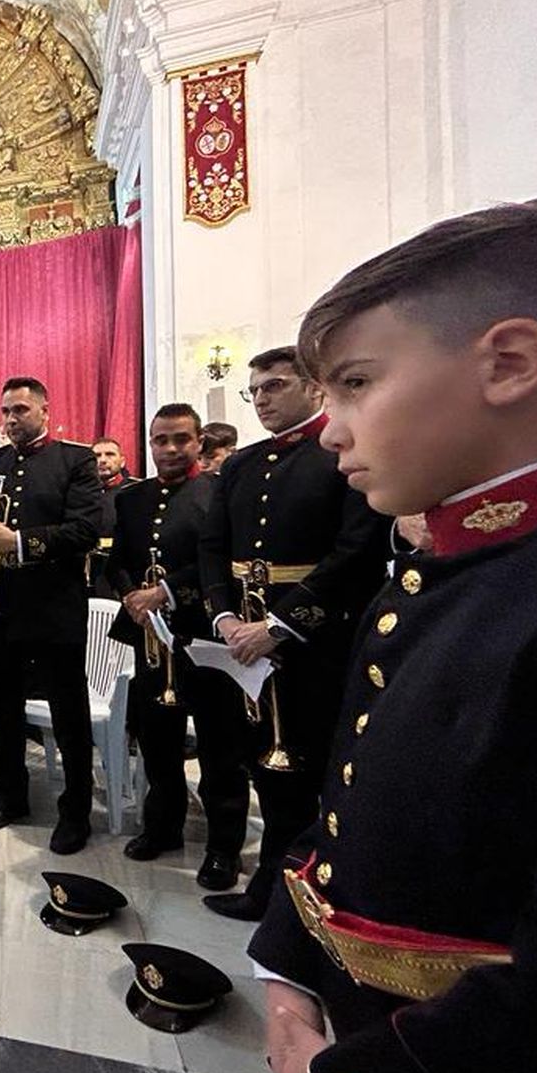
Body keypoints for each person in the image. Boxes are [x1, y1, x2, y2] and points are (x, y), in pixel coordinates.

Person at [252, 193, 537, 1073]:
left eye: (358, 383)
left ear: (510, 363)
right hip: (347, 1019)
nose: (330, 429)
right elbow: (353, 808)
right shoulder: (447, 567)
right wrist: (290, 975)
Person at [199, 348, 389, 921]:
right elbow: (213, 547)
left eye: (274, 386)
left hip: (316, 642)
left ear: (313, 387)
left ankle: (310, 892)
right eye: (253, 390)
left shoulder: (340, 451)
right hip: (242, 638)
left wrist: (278, 627)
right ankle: (274, 890)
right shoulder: (241, 463)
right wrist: (224, 617)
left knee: (315, 771)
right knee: (263, 765)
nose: (261, 399)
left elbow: (357, 553)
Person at [104, 406, 243, 890]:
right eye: (159, 440)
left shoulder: (220, 491)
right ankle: (161, 828)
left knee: (219, 745)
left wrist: (166, 592)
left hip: (204, 634)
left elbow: (224, 561)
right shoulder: (133, 497)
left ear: (198, 441)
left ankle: (224, 847)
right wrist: (130, 596)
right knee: (156, 740)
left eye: (179, 440)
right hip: (150, 639)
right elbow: (117, 559)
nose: (168, 449)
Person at [0, 377, 104, 854]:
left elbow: (86, 530)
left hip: (53, 607)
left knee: (68, 713)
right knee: (3, 709)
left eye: (21, 410)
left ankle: (76, 812)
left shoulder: (76, 458)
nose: (11, 419)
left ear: (45, 409)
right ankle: (11, 797)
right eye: (5, 411)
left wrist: (19, 543)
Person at [89, 435, 139, 597]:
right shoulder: (82, 493)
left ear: (122, 461)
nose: (102, 460)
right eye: (97, 456)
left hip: (125, 571)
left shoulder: (135, 490)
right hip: (90, 571)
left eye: (110, 454)